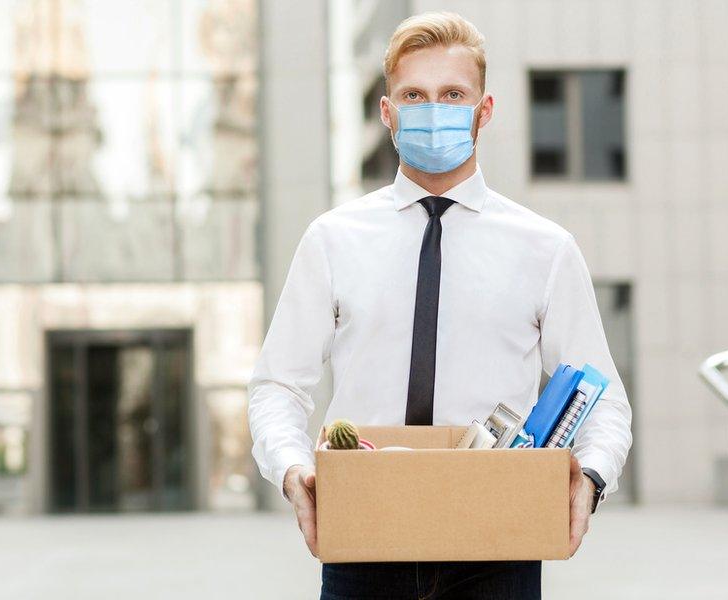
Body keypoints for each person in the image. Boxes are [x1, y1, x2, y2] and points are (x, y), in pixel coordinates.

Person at [248, 11, 632, 600]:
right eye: (414, 95)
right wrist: (292, 468)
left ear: (484, 111)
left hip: (497, 551)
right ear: (387, 113)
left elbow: (602, 394)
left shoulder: (545, 248)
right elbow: (278, 385)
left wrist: (594, 476)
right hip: (363, 544)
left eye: (452, 94)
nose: (434, 110)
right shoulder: (332, 239)